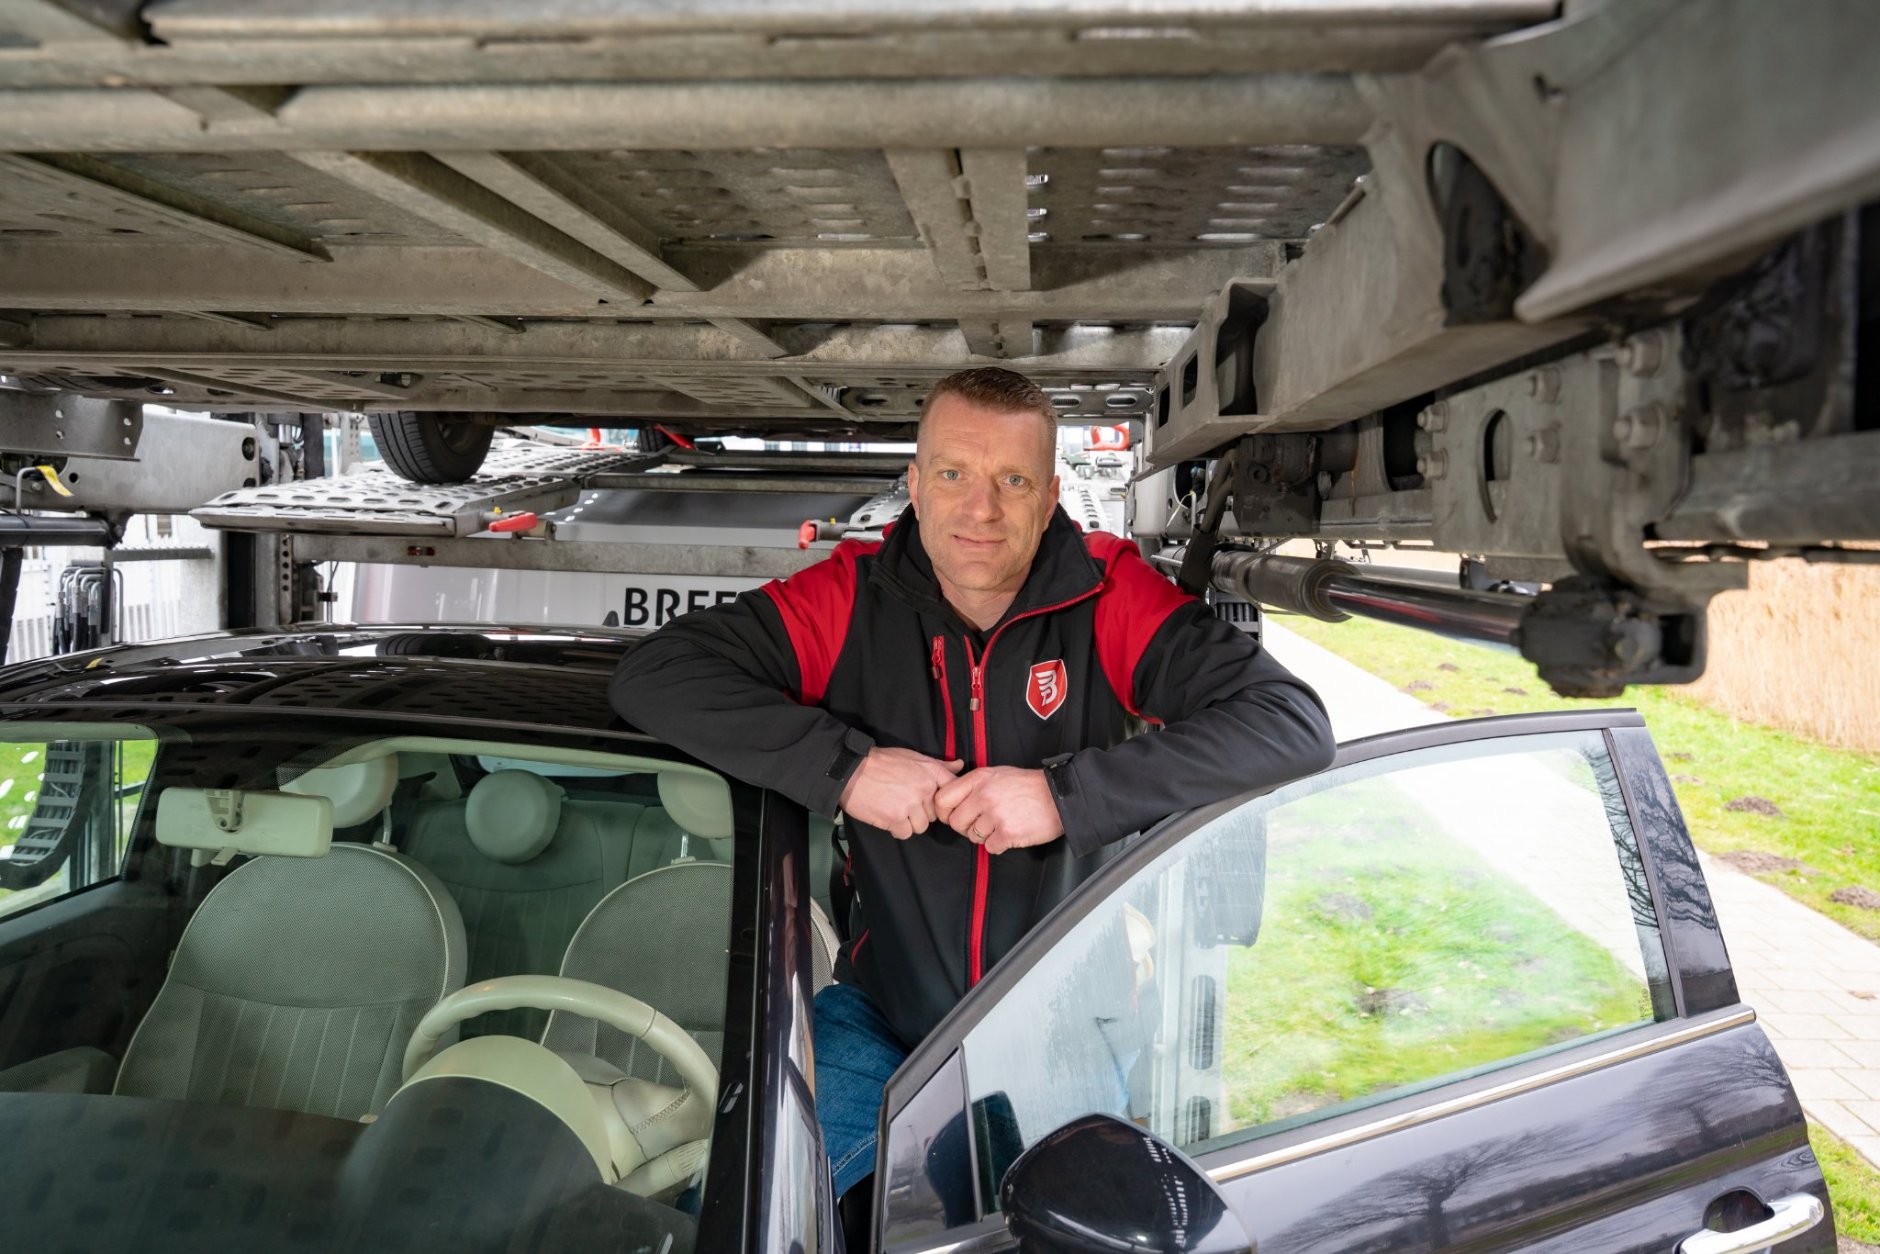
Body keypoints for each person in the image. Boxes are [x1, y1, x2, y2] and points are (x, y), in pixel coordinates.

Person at [609, 366, 1335, 1210]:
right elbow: (659, 673)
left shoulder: (1108, 595)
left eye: (1012, 480)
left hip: (1063, 1025)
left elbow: (1290, 722)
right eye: (953, 474)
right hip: (886, 1019)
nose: (979, 509)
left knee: (1073, 1228)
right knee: (747, 1212)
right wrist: (847, 770)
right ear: (914, 484)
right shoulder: (850, 598)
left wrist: (1062, 797)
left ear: (1051, 492)